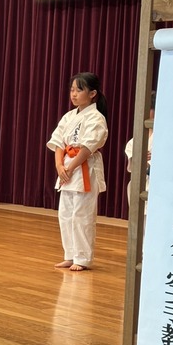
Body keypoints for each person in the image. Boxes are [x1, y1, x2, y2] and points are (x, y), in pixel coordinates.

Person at [47, 72, 108, 271]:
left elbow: (88, 147)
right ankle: (70, 255)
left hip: (84, 168)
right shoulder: (69, 116)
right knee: (65, 214)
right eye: (72, 90)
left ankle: (82, 258)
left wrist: (71, 167)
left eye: (79, 90)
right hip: (66, 167)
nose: (73, 94)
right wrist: (59, 166)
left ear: (92, 94)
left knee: (82, 215)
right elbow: (58, 142)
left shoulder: (96, 118)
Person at [125, 90, 156, 205]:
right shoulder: (134, 142)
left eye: (150, 108)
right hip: (139, 185)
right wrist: (141, 159)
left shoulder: (165, 138)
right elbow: (134, 165)